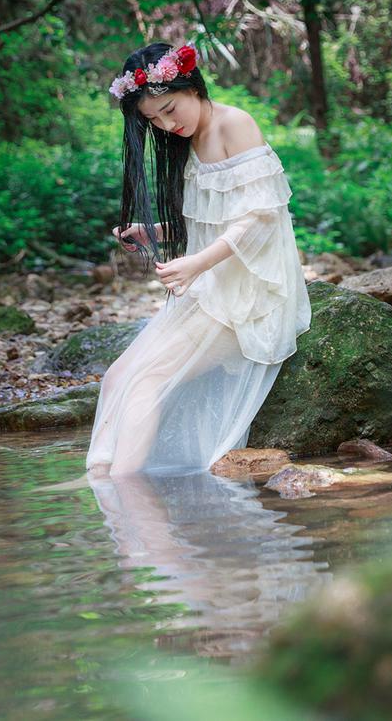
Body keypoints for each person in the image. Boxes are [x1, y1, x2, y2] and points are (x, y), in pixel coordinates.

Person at [85, 42, 311, 478]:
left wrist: (198, 264)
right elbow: (210, 219)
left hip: (250, 293)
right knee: (117, 376)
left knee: (149, 380)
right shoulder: (186, 140)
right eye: (154, 120)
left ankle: (124, 490)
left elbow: (260, 219)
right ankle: (99, 478)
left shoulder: (234, 124)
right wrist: (154, 231)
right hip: (213, 288)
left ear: (192, 87)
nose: (167, 125)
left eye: (170, 110)